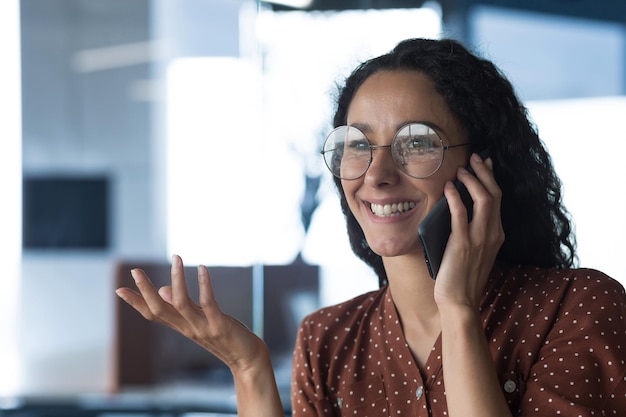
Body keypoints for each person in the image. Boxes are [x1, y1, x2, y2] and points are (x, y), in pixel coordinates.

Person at [115, 37, 626, 416]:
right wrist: (248, 368)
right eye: (357, 144)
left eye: (417, 142)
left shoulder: (580, 308)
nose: (377, 176)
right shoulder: (328, 339)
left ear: (483, 167)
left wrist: (459, 312)